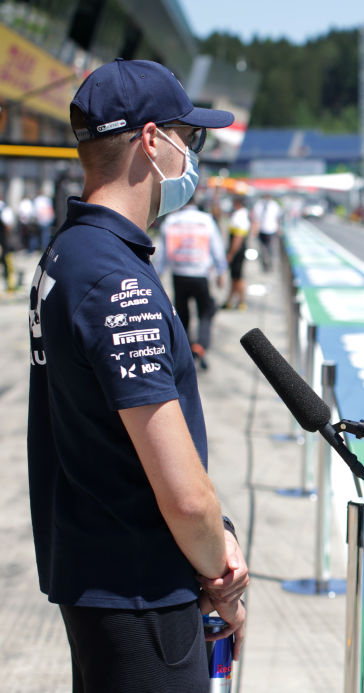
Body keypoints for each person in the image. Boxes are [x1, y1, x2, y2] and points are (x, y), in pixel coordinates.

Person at [27, 58, 247, 692]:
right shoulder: (118, 282)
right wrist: (222, 571)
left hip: (100, 584)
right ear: (152, 141)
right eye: (191, 138)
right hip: (142, 597)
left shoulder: (68, 253)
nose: (194, 158)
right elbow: (183, 494)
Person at [153, 199, 228, 369]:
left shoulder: (171, 220)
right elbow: (217, 247)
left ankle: (185, 349)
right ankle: (201, 346)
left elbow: (162, 253)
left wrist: (158, 273)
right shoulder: (206, 220)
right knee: (205, 312)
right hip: (200, 274)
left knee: (182, 314)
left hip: (178, 274)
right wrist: (221, 271)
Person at [223, 195, 250, 310]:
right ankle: (230, 300)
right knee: (234, 277)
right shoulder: (242, 214)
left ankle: (241, 302)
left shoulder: (239, 216)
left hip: (237, 251)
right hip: (239, 250)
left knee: (238, 277)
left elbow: (237, 238)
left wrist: (231, 253)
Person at [251, 193, 281, 272]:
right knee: (262, 249)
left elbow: (277, 218)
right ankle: (265, 264)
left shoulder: (275, 205)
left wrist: (278, 228)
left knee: (271, 248)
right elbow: (255, 218)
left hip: (271, 229)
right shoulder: (259, 205)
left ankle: (270, 263)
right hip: (261, 229)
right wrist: (254, 229)